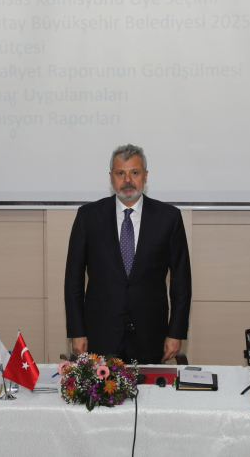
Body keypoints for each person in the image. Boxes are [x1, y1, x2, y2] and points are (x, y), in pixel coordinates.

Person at [64, 144, 192, 364]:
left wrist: (175, 332)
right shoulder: (88, 216)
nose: (128, 180)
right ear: (111, 177)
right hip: (100, 333)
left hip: (151, 334)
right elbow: (73, 279)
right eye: (120, 173)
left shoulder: (169, 217)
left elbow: (181, 282)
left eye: (134, 172)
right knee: (101, 388)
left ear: (145, 176)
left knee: (149, 388)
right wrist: (77, 331)